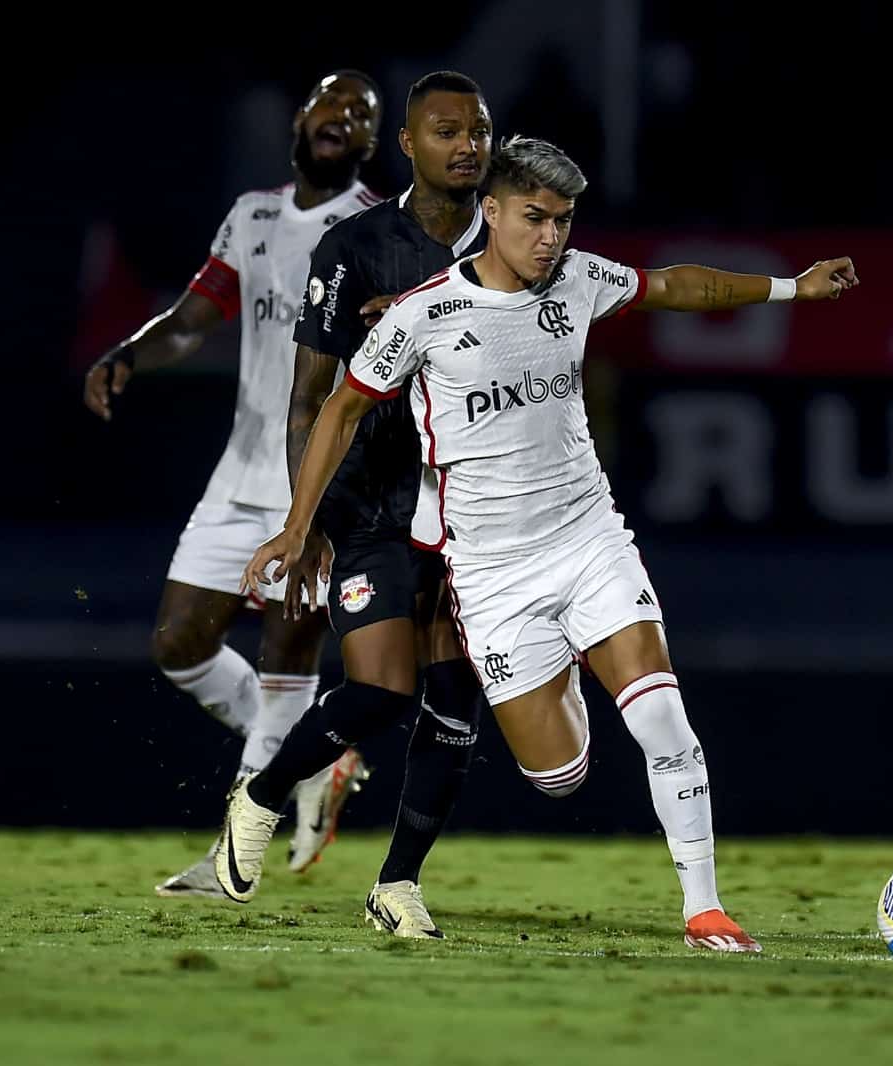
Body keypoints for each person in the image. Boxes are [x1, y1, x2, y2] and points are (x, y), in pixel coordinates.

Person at [236, 135, 858, 952]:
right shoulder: (423, 315)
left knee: (664, 719)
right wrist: (296, 523)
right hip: (495, 576)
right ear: (490, 212)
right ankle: (563, 658)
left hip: (590, 539)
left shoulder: (578, 278)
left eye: (563, 221)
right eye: (534, 219)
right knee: (557, 776)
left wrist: (792, 289)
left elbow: (676, 284)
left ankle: (704, 910)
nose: (551, 238)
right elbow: (341, 411)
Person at [207, 72, 591, 937]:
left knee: (455, 700)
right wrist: (301, 525)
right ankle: (263, 796)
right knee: (379, 690)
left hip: (473, 515)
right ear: (409, 145)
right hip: (372, 503)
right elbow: (311, 402)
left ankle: (397, 884)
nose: (467, 146)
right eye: (447, 131)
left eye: (480, 132)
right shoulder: (353, 248)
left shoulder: (523, 249)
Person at [81, 71, 384, 897]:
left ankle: (232, 857)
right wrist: (129, 353)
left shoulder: (375, 230)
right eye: (332, 104)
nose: (343, 120)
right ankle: (318, 755)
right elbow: (190, 317)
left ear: (370, 142)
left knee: (288, 655)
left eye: (361, 115)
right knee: (179, 644)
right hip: (237, 474)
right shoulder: (252, 214)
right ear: (302, 119)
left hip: (318, 480)